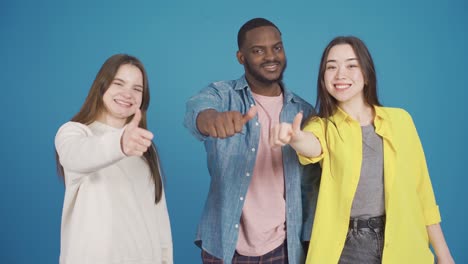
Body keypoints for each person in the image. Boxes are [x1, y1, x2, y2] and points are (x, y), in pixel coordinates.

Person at [270, 36, 455, 263]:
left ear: (366, 74)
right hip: (348, 249)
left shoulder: (401, 121)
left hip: (403, 243)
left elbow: (423, 194)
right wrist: (295, 138)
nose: (340, 74)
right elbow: (312, 145)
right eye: (331, 67)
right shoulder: (322, 126)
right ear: (323, 78)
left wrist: (444, 254)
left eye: (351, 65)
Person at [184, 18, 320, 264]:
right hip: (224, 245)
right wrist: (212, 119)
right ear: (241, 57)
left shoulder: (304, 112)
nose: (271, 57)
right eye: (258, 50)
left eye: (277, 47)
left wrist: (309, 244)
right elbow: (197, 110)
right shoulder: (222, 96)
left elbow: (310, 189)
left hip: (284, 248)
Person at [55, 54, 173, 264]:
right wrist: (119, 143)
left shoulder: (144, 147)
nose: (128, 94)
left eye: (137, 88)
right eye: (118, 83)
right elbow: (76, 155)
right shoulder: (74, 133)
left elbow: (159, 219)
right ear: (101, 86)